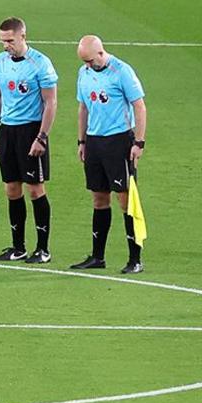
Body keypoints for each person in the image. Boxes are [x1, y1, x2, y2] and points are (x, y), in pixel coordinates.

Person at [71, 34, 147, 273]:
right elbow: (83, 107)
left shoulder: (122, 71)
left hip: (119, 141)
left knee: (125, 200)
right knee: (99, 198)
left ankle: (135, 260)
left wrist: (139, 142)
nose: (87, 65)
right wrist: (82, 140)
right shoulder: (84, 73)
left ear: (101, 53)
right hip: (94, 142)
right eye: (84, 61)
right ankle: (97, 256)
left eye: (90, 60)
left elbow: (139, 106)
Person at [0, 18, 59, 263]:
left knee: (35, 188)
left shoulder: (40, 63)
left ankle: (43, 249)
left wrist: (42, 137)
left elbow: (51, 102)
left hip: (31, 131)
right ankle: (18, 247)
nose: (6, 45)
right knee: (11, 189)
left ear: (23, 36)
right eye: (2, 41)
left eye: (10, 40)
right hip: (8, 131)